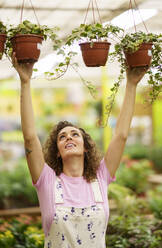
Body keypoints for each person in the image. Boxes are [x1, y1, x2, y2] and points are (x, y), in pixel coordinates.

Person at [12, 53, 147, 248]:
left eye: (75, 135)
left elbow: (121, 135)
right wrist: (25, 82)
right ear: (57, 151)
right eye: (62, 136)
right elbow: (30, 138)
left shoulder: (101, 176)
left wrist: (132, 84)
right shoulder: (46, 180)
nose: (68, 137)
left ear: (85, 148)